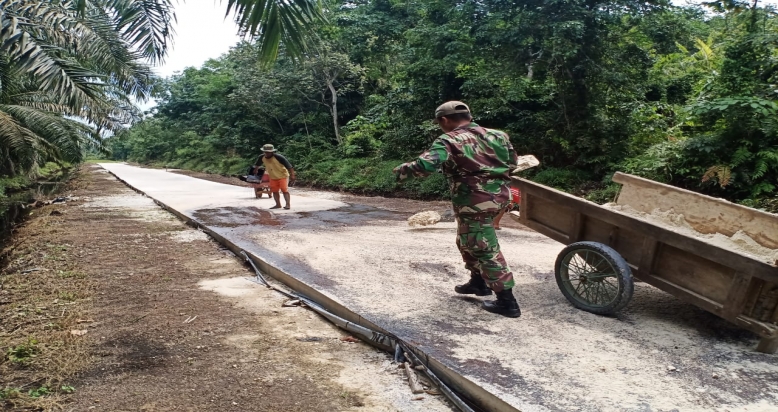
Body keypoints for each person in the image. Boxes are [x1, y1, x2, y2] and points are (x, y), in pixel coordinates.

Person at [393, 101, 521, 318]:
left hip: (475, 201)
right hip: (499, 196)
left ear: (444, 120)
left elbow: (426, 165)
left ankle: (507, 302)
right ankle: (478, 282)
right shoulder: (498, 135)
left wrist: (402, 171)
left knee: (483, 245)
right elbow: (513, 162)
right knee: (466, 238)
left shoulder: (449, 140)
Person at [254, 144, 295, 209]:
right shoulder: (261, 157)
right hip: (272, 176)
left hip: (283, 176)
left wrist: (292, 175)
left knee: (284, 190)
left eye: (268, 152)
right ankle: (278, 205)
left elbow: (289, 166)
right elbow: (257, 165)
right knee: (275, 191)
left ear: (272, 152)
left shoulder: (279, 157)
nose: (267, 153)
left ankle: (288, 205)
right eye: (265, 152)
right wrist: (255, 170)